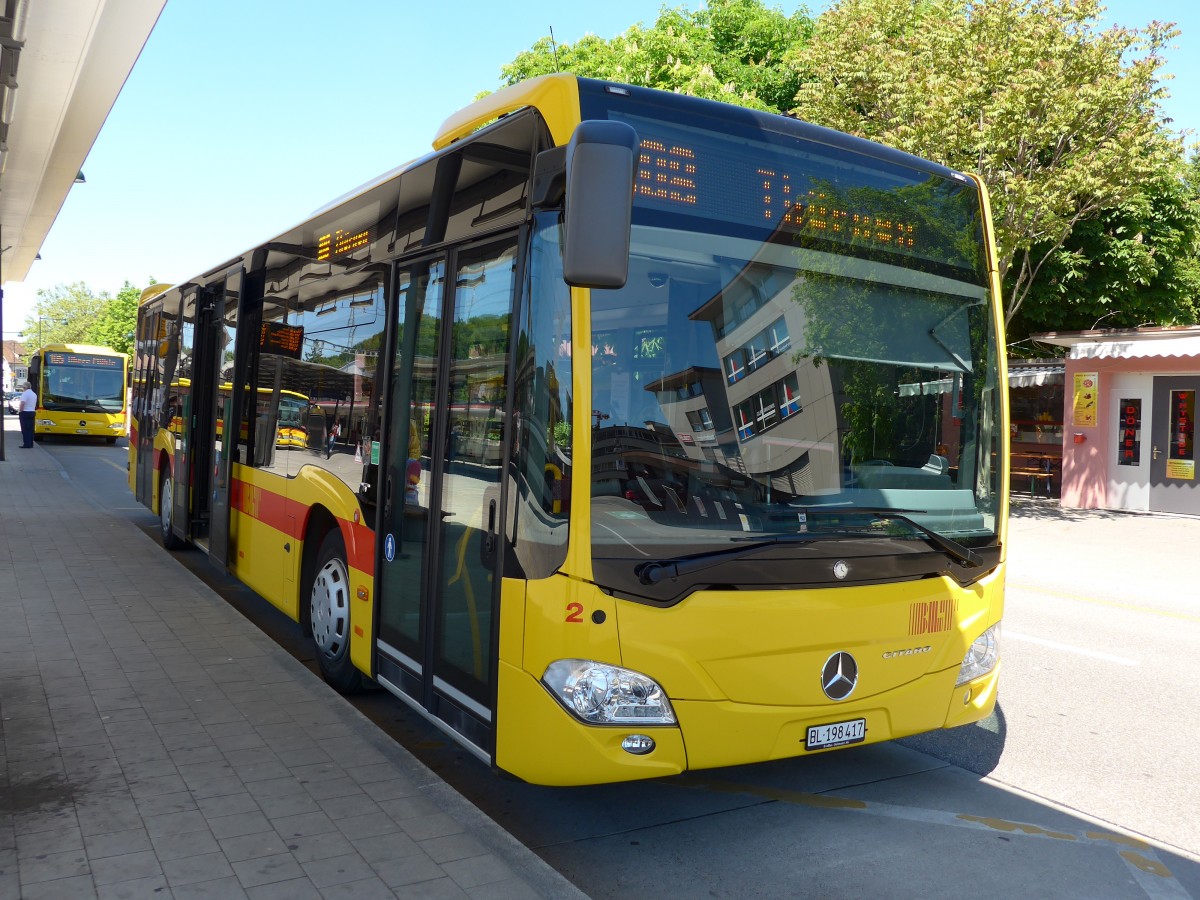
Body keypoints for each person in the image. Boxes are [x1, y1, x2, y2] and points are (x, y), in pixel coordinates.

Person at [18, 380, 37, 448]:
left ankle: (26, 444)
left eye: (23, 387)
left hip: (25, 412)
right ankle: (31, 443)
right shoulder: (34, 394)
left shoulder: (25, 394)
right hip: (32, 412)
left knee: (25, 429)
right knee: (31, 429)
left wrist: (20, 411)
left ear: (25, 387)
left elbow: (22, 403)